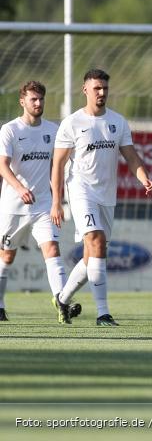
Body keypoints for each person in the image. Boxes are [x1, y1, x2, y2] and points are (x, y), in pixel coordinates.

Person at [50, 69, 152, 326]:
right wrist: (56, 201)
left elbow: (130, 156)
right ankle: (103, 313)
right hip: (81, 191)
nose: (101, 93)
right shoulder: (72, 123)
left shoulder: (117, 122)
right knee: (96, 242)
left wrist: (143, 177)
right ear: (85, 90)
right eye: (96, 88)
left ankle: (62, 298)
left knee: (92, 255)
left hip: (106, 195)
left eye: (105, 88)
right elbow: (58, 165)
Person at [0, 81, 81, 323]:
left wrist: (58, 200)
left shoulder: (53, 130)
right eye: (33, 99)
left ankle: (61, 300)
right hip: (14, 206)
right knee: (6, 256)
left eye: (41, 99)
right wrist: (20, 188)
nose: (38, 103)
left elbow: (59, 165)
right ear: (22, 101)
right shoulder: (10, 130)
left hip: (43, 205)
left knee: (52, 249)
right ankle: (0, 305)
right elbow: (2, 165)